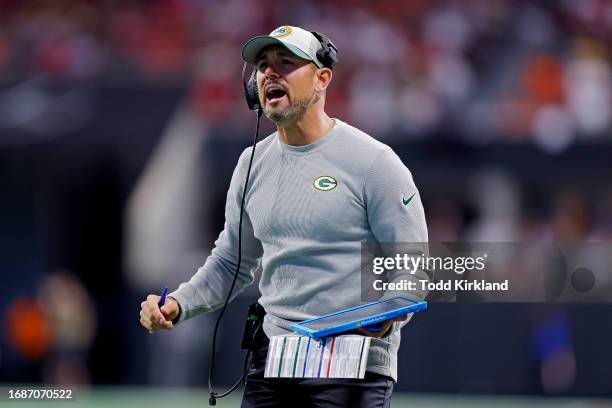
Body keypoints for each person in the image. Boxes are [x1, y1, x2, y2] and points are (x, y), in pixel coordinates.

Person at [139, 25, 428, 407]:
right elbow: (230, 262)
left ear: (323, 78)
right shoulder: (251, 163)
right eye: (262, 66)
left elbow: (413, 267)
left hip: (351, 368)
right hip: (274, 360)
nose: (269, 73)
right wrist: (178, 304)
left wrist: (383, 315)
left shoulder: (374, 163)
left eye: (286, 63)